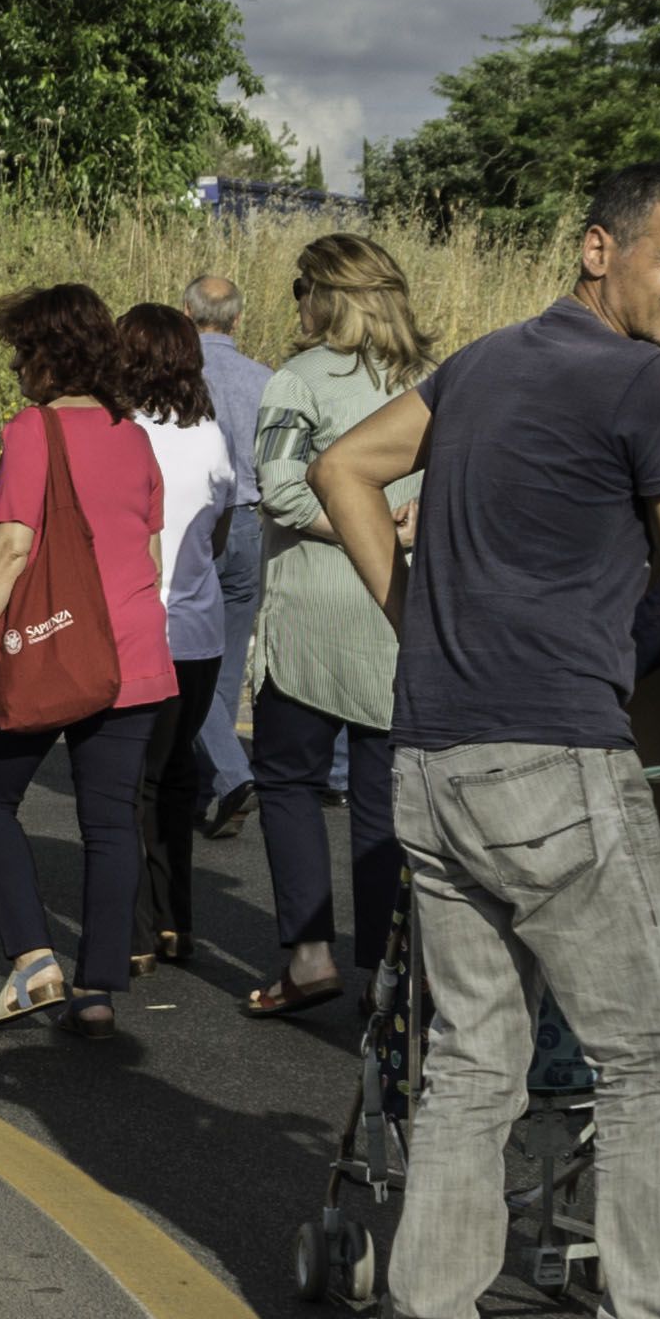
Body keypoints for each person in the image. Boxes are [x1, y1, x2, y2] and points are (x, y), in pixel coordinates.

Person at [310, 164, 660, 1319]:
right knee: (649, 1059)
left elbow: (341, 464)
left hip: (432, 757)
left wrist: (411, 612)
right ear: (598, 249)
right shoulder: (645, 385)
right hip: (555, 759)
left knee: (474, 1063)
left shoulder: (478, 366)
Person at [0, 286, 171, 1040]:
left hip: (52, 647)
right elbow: (151, 553)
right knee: (110, 821)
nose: (16, 365)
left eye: (23, 350)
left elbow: (13, 545)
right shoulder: (132, 434)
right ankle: (97, 990)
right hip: (135, 646)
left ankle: (33, 959)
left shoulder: (32, 430)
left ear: (51, 355)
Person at [244, 235, 424, 1020]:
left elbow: (282, 489)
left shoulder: (298, 380)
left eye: (300, 287)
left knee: (288, 780)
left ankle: (310, 955)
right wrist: (401, 527)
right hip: (395, 607)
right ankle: (387, 975)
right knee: (382, 801)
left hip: (310, 613)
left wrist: (357, 522)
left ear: (324, 295)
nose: (297, 302)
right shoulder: (424, 382)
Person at [119, 300, 244, 975]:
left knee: (133, 784)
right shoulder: (209, 432)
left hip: (141, 629)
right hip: (200, 633)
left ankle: (135, 931)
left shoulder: (123, 431)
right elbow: (218, 535)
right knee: (175, 777)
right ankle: (175, 923)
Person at [182, 270, 271, 828]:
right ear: (238, 318)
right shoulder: (267, 380)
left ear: (185, 314)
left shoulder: (178, 379)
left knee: (182, 654)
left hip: (197, 523)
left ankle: (227, 774)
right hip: (250, 522)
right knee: (228, 662)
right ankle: (219, 783)